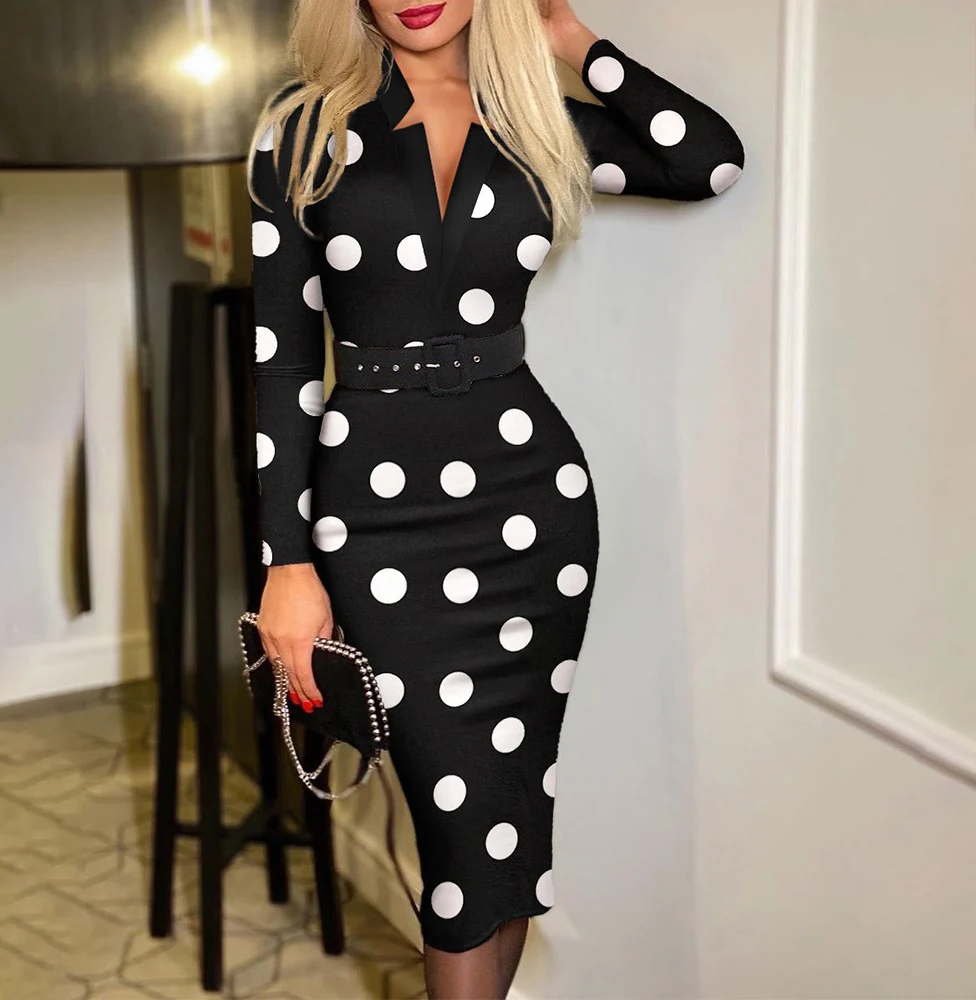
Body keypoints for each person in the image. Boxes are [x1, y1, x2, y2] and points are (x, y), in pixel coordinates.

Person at [246, 1, 743, 996]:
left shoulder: (533, 122)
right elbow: (282, 363)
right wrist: (285, 564)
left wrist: (565, 37)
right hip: (374, 520)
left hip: (531, 508)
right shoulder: (300, 129)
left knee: (504, 824)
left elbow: (708, 160)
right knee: (458, 831)